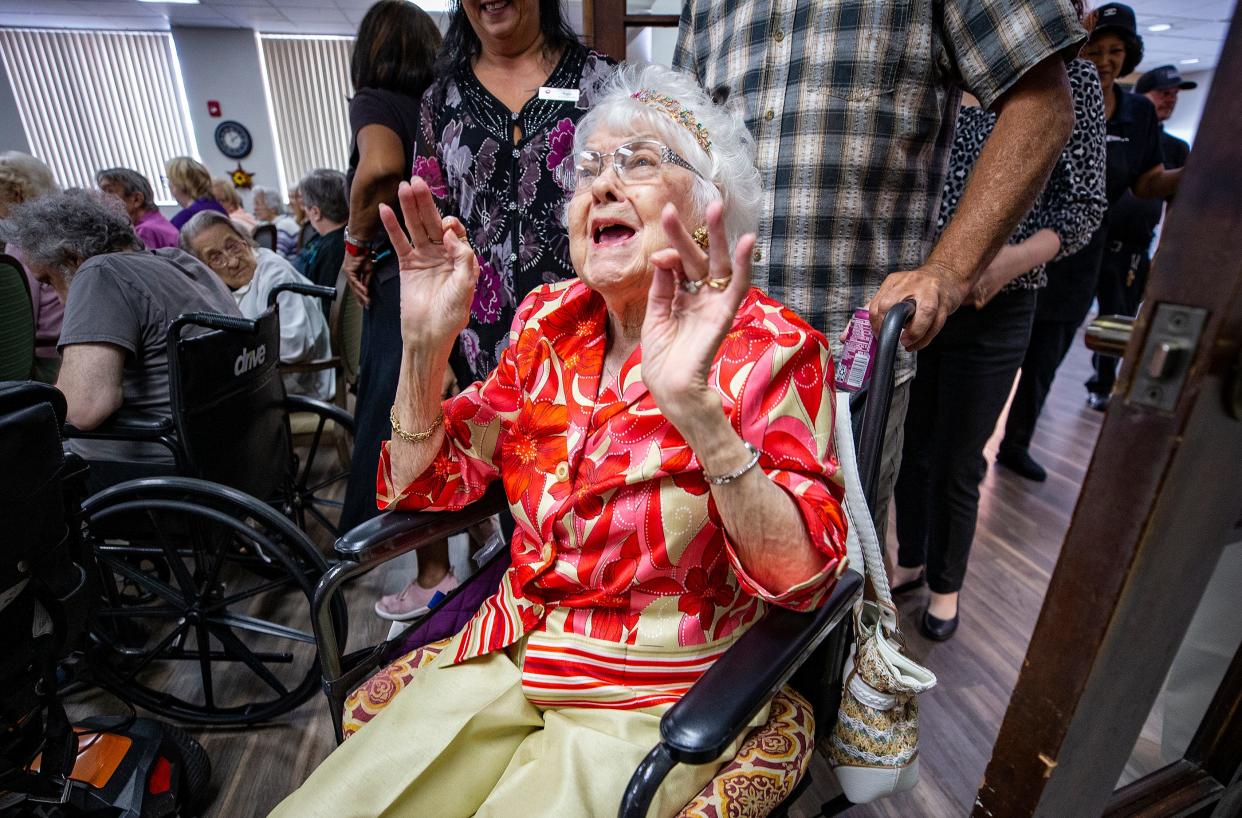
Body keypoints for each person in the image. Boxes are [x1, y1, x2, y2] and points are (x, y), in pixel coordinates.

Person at [272, 63, 848, 818]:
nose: (601, 186)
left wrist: (703, 420)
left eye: (638, 162)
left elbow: (803, 579)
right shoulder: (549, 323)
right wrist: (423, 350)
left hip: (655, 692)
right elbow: (424, 489)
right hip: (512, 647)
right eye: (586, 169)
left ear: (711, 204)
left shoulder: (774, 349)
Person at [675, 0, 1085, 549]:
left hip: (846, 366)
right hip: (711, 357)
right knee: (704, 556)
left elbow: (1043, 103)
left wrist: (948, 271)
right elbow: (679, 139)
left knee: (839, 573)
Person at [891, 42, 1107, 640]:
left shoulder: (1070, 79)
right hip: (918, 299)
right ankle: (909, 559)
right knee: (910, 447)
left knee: (960, 459)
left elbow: (1083, 206)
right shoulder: (932, 66)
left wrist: (1004, 262)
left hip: (998, 303)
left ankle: (945, 587)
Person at [999, 2, 1184, 480]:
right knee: (1002, 358)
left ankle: (1015, 444)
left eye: (1116, 50)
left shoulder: (1138, 113)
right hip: (1026, 252)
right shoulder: (1056, 96)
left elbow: (1146, 182)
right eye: (1095, 49)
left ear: (1129, 54)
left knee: (1045, 364)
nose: (1105, 59)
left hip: (1085, 257)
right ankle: (973, 443)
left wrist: (1199, 176)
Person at [412, 0, 615, 386]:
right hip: (478, 363)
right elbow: (431, 240)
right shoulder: (440, 103)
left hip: (592, 353)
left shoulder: (603, 84)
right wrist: (436, 358)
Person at [335, 0, 447, 614]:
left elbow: (380, 167)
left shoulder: (375, 102)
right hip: (448, 271)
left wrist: (353, 243)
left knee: (405, 416)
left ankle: (432, 574)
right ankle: (471, 540)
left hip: (404, 276)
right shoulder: (439, 105)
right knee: (444, 407)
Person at [0, 190, 239, 470]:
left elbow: (83, 410)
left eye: (49, 281)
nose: (61, 300)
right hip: (228, 449)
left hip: (146, 463)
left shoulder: (99, 272)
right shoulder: (178, 260)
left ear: (73, 258)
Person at [1085, 63, 1195, 404]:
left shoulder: (1175, 149)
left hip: (1132, 252)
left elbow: (1172, 202)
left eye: (1175, 96)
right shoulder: (1114, 127)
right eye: (1165, 93)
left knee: (1121, 318)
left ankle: (1105, 387)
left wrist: (1165, 256)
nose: (1170, 101)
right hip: (1092, 242)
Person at [181, 211, 333, 401]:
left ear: (244, 240)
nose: (233, 261)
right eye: (216, 257)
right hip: (264, 385)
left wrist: (235, 356)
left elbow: (294, 346)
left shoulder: (275, 275)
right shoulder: (222, 289)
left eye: (233, 246)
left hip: (297, 389)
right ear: (204, 269)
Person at [0, 152, 62, 383]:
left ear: (16, 193)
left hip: (47, 364)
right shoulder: (66, 227)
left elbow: (23, 316)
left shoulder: (22, 240)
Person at [96, 167, 180, 250]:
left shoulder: (145, 231)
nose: (100, 199)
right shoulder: (156, 222)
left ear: (137, 199)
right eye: (101, 193)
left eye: (109, 192)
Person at [295, 169, 348, 293]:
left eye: (305, 206)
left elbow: (322, 305)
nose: (304, 211)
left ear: (316, 212)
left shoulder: (333, 251)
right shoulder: (324, 237)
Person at [165, 156, 227, 230]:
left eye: (169, 180)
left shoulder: (184, 219)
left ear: (178, 184)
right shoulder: (216, 206)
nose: (168, 185)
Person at [253, 185, 301, 259]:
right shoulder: (273, 224)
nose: (255, 208)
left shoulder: (284, 225)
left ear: (272, 208)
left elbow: (277, 257)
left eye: (258, 204)